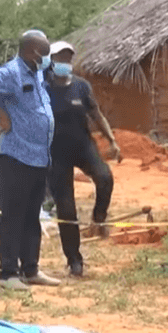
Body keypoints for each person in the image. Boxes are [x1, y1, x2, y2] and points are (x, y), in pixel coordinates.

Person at [0, 30, 60, 290]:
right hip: (16, 155)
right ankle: (7, 273)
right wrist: (0, 115)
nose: (48, 58)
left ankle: (31, 268)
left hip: (39, 156)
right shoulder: (11, 73)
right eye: (45, 52)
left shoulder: (38, 72)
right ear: (32, 52)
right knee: (13, 216)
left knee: (32, 216)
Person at [45, 41, 121, 277]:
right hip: (55, 153)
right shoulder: (43, 87)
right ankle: (74, 260)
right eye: (59, 58)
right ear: (51, 60)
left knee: (104, 177)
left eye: (68, 58)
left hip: (83, 146)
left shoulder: (82, 87)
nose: (64, 63)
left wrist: (112, 140)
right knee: (66, 210)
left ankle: (99, 218)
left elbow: (96, 114)